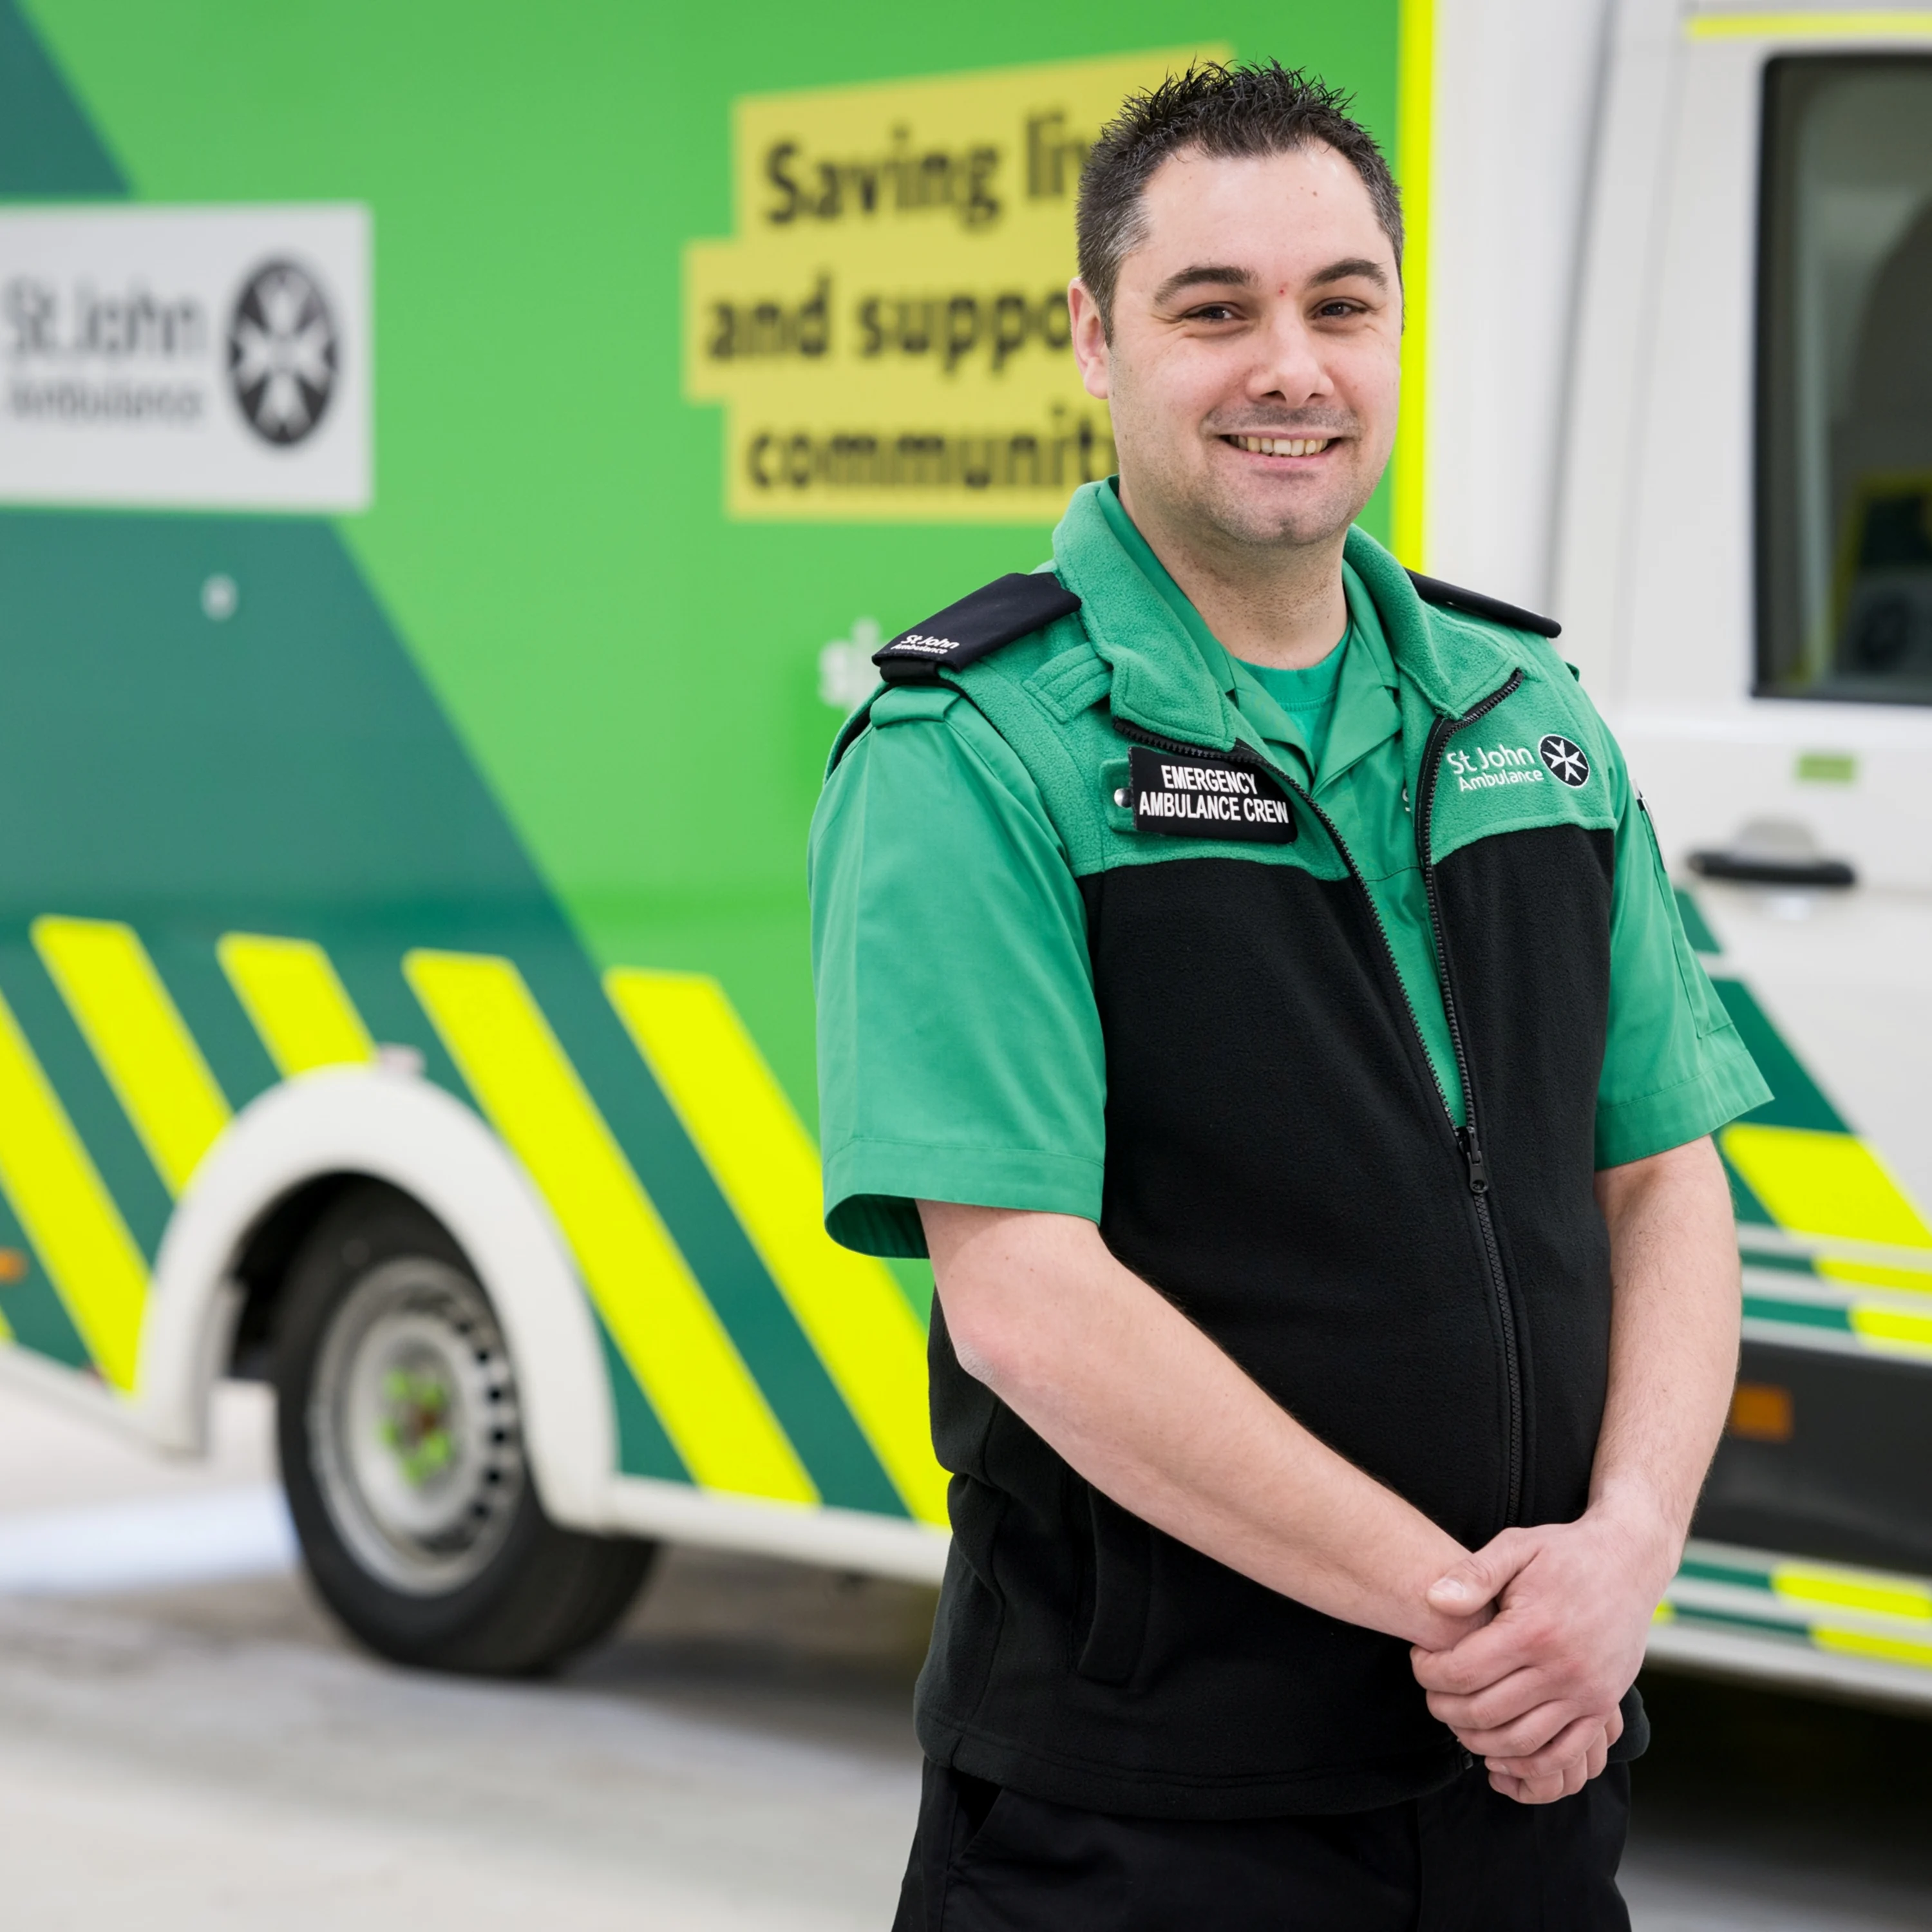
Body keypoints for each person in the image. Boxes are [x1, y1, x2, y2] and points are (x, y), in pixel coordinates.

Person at [809, 61, 1769, 1931]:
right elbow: (1027, 1302)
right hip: (1147, 1823)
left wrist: (1623, 1567)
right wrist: (1475, 1620)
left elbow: (1661, 1178)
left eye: (1342, 304)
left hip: (1526, 1805)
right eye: (1214, 309)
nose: (1292, 367)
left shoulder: (1533, 725)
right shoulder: (977, 752)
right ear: (1094, 339)